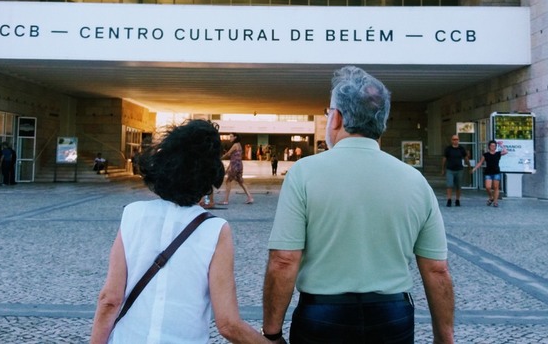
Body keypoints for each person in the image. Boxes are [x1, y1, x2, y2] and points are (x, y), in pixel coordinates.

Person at [262, 66, 454, 344]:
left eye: (328, 113)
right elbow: (437, 269)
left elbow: (283, 261)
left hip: (323, 315)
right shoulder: (415, 181)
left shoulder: (304, 173)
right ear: (382, 123)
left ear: (337, 118)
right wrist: (444, 338)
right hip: (393, 315)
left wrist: (272, 332)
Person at [91, 120, 272, 344]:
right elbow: (228, 324)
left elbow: (110, 299)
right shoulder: (215, 230)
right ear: (209, 176)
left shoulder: (133, 215)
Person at [472, 140, 508, 207]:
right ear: (489, 146)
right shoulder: (486, 155)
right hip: (488, 172)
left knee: (496, 187)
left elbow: (506, 151)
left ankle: (495, 201)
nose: (493, 147)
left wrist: (501, 145)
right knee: (488, 187)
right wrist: (474, 168)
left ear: (495, 147)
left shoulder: (498, 154)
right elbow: (480, 162)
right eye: (491, 145)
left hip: (496, 172)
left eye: (494, 146)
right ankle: (491, 197)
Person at [219, 134, 254, 205]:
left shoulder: (235, 145)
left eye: (231, 137)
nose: (230, 138)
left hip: (235, 166)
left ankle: (225, 200)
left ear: (235, 137)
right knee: (241, 181)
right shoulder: (239, 145)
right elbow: (234, 158)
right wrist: (228, 167)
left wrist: (220, 159)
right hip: (239, 165)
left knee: (228, 181)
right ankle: (250, 197)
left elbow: (228, 154)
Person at [441, 134, 469, 207]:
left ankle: (457, 200)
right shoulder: (448, 149)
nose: (455, 141)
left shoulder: (461, 149)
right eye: (454, 139)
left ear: (458, 140)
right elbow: (444, 159)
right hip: (450, 169)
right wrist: (443, 169)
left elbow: (466, 158)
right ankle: (449, 199)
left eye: (456, 139)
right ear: (451, 140)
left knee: (458, 186)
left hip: (459, 170)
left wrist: (469, 167)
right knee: (449, 185)